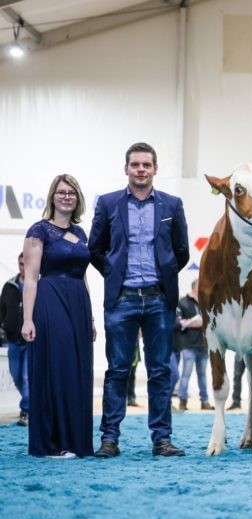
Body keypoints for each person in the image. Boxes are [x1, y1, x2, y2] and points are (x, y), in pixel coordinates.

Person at [88, 142, 190, 458]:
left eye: (146, 164)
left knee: (160, 372)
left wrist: (166, 274)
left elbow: (182, 251)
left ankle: (162, 440)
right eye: (135, 164)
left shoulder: (172, 205)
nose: (141, 169)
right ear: (126, 169)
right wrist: (114, 273)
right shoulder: (108, 203)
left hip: (159, 299)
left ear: (155, 169)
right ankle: (109, 439)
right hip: (122, 300)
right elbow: (95, 249)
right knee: (118, 371)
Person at [21, 174, 96, 458]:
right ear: (53, 196)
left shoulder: (81, 233)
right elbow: (31, 278)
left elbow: (83, 276)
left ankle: (75, 441)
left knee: (78, 372)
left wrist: (90, 318)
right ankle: (52, 443)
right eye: (62, 192)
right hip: (51, 302)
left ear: (78, 198)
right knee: (57, 368)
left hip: (79, 304)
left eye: (72, 193)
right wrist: (28, 319)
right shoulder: (39, 230)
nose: (67, 197)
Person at [1, 252, 29, 426]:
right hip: (13, 340)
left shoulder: (38, 285)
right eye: (20, 264)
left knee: (26, 378)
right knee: (16, 376)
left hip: (31, 341)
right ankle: (30, 404)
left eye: (25, 264)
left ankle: (26, 410)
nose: (23, 267)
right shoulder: (9, 285)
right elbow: (1, 309)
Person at [175, 278, 211, 411]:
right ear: (196, 287)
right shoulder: (183, 302)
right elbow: (179, 322)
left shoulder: (206, 302)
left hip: (203, 345)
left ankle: (205, 401)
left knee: (202, 375)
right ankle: (182, 401)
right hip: (188, 345)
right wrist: (193, 323)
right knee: (186, 373)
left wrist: (198, 323)